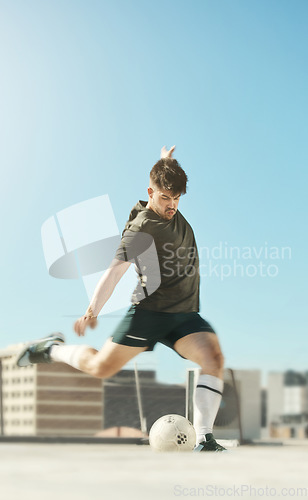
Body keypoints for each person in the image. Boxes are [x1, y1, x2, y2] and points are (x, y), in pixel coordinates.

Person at [17, 145, 225, 452]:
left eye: (177, 198)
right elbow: (114, 272)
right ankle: (51, 350)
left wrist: (165, 159)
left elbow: (164, 175)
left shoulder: (167, 196)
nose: (172, 205)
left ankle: (205, 439)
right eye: (165, 198)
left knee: (213, 359)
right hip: (151, 311)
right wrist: (92, 310)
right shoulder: (140, 230)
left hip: (184, 312)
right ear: (150, 192)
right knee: (101, 367)